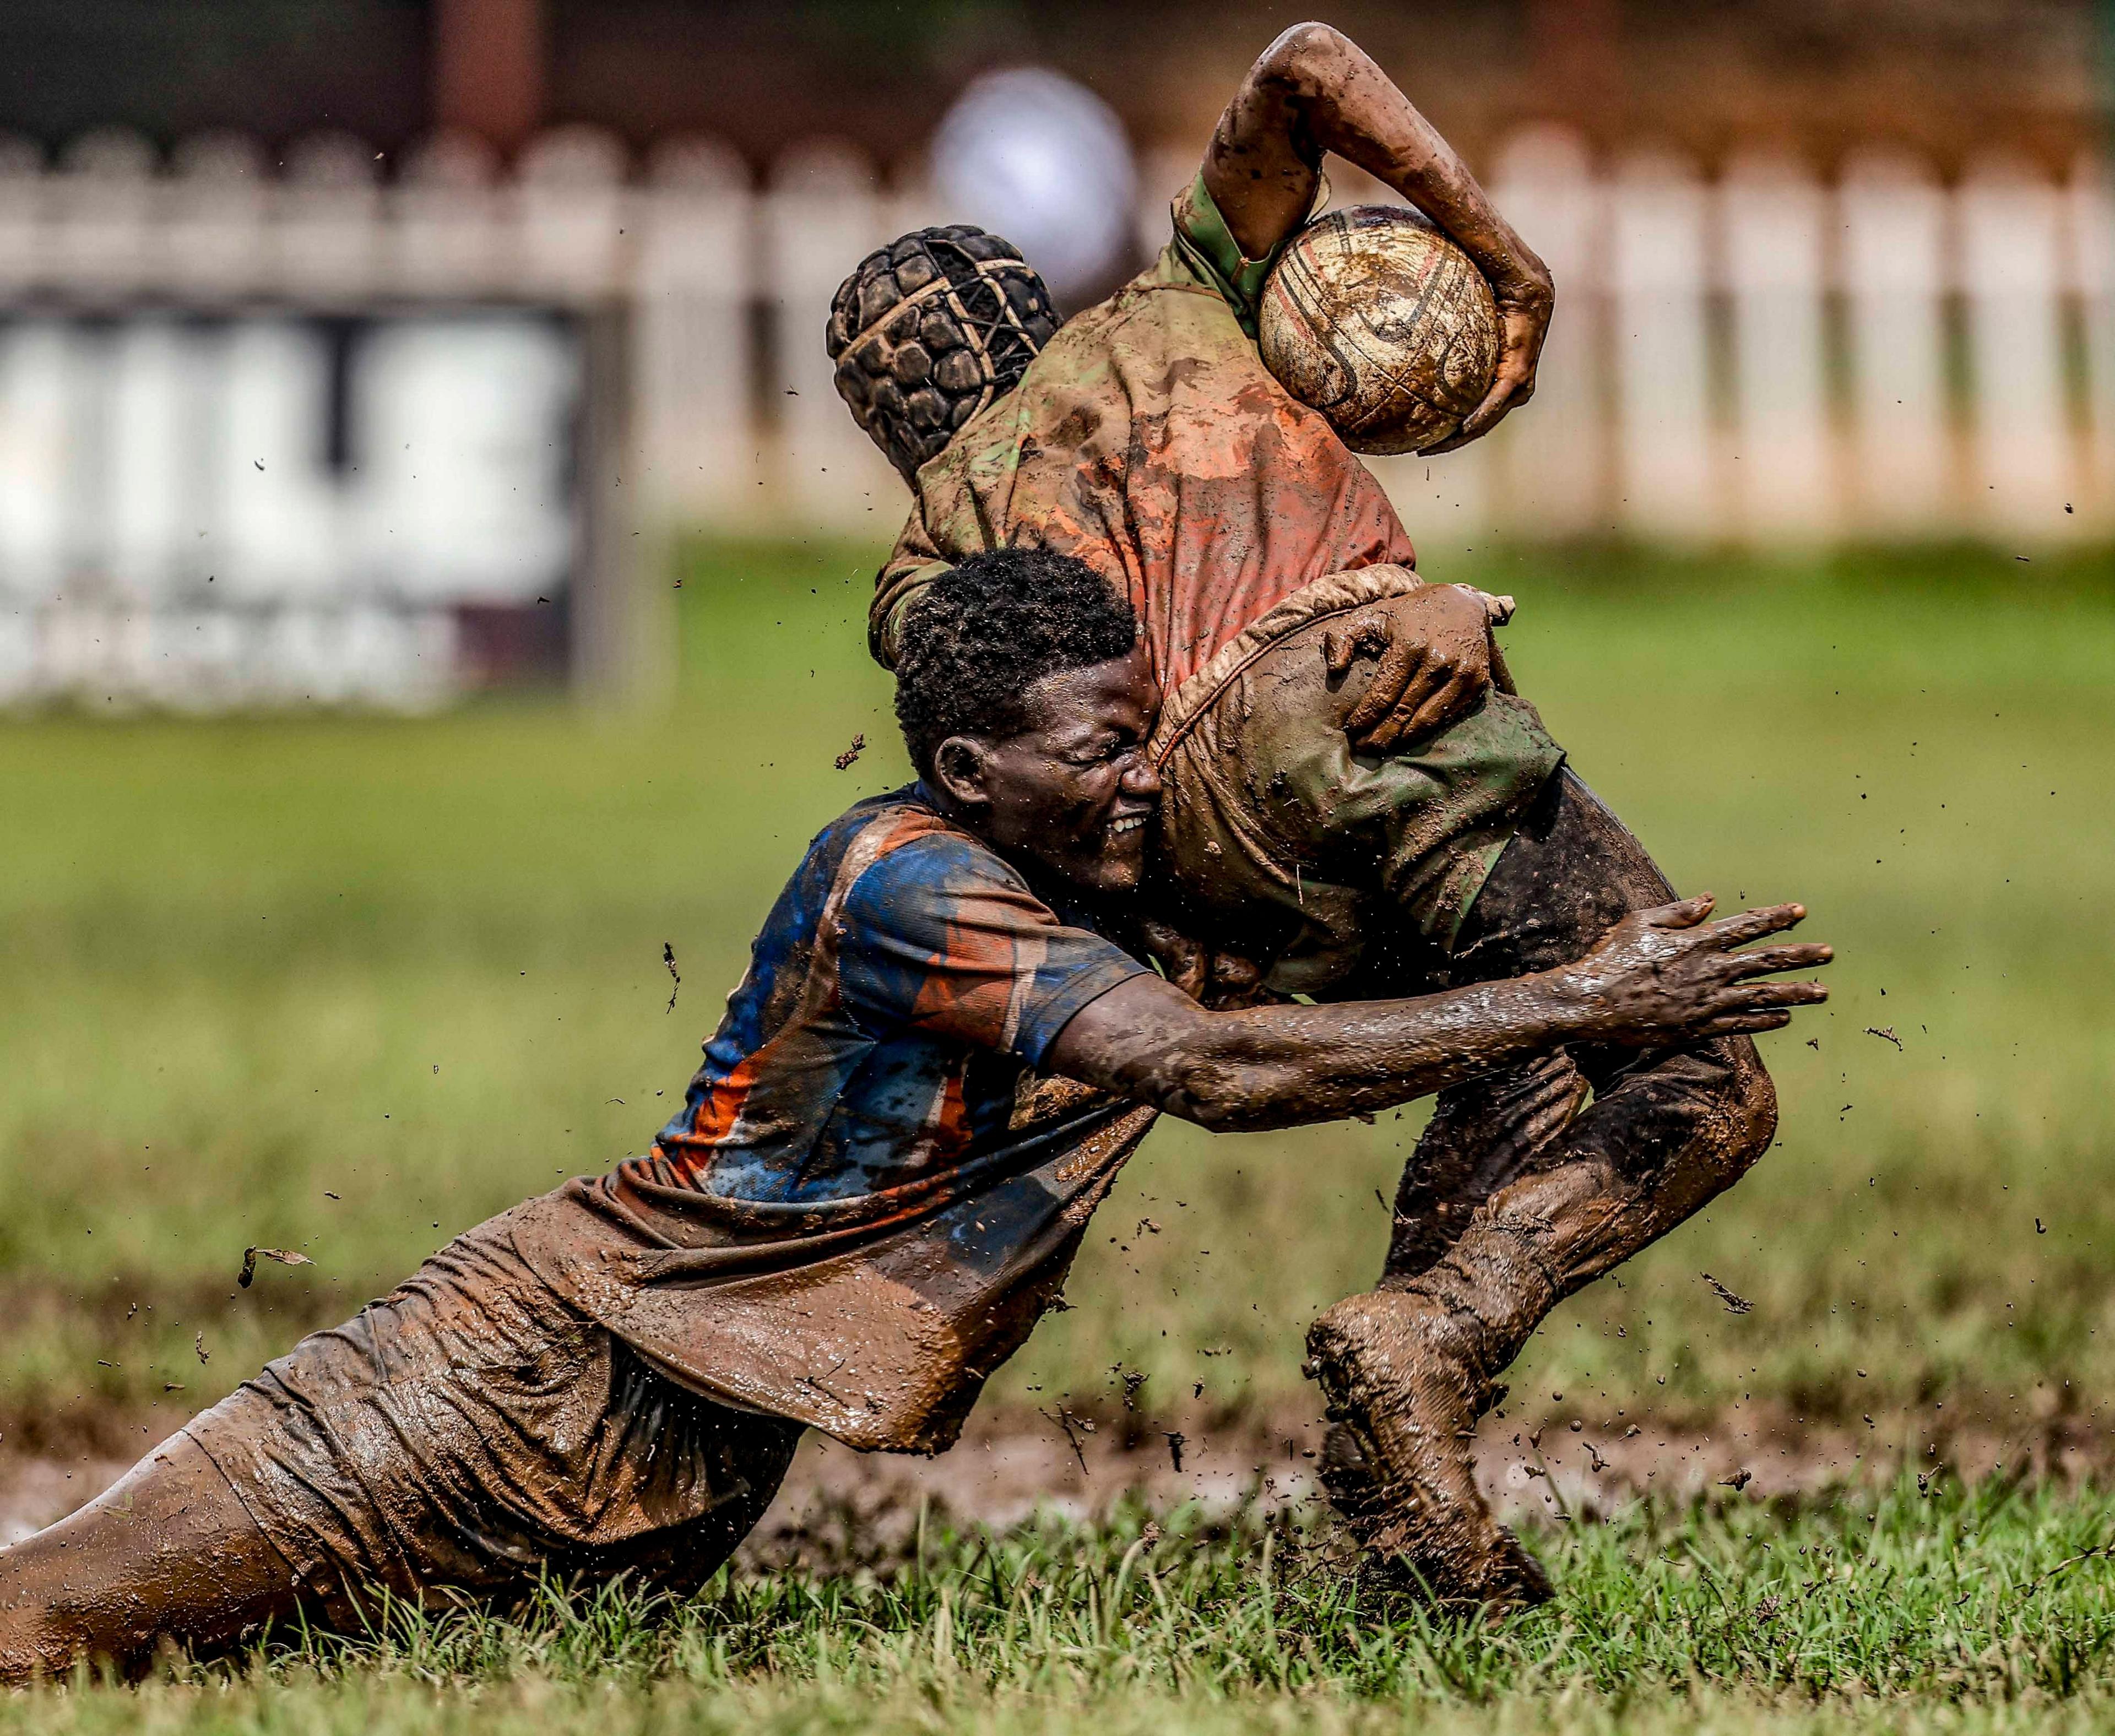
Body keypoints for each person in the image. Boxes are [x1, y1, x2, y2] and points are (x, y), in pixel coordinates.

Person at [0, 552, 1826, 1681]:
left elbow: (1368, 982)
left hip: (665, 1456)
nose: (1142, 776)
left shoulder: (1086, 866)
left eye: (1146, 729)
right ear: (973, 770)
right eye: (1100, 750)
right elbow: (1219, 1074)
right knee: (52, 1625)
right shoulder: (909, 881)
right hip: (517, 1378)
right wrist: (1593, 999)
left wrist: (1439, 609)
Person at [830, 24, 1797, 1605]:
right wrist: (1501, 259)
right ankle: (1441, 1326)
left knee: (1515, 1050)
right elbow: (1307, 62)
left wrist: (1159, 912)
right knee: (1700, 1075)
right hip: (1366, 700)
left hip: (1207, 845)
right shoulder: (1179, 302)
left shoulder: (928, 561)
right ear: (1029, 299)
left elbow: (1012, 760)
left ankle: (1406, 1496)